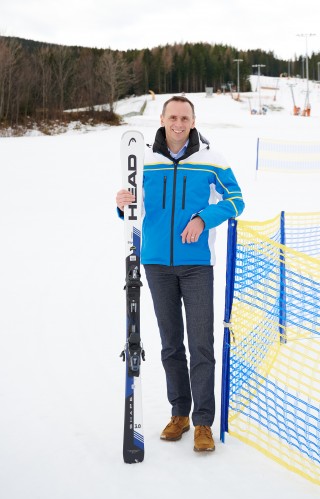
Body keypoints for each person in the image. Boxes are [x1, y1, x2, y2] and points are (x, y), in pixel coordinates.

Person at [116, 95, 244, 452]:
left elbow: (237, 200)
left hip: (197, 265)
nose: (178, 123)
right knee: (172, 345)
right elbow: (132, 211)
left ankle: (203, 421)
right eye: (172, 116)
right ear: (161, 118)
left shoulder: (211, 159)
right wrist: (120, 205)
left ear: (193, 119)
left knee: (201, 344)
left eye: (184, 117)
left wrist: (205, 218)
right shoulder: (144, 160)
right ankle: (180, 414)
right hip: (156, 264)